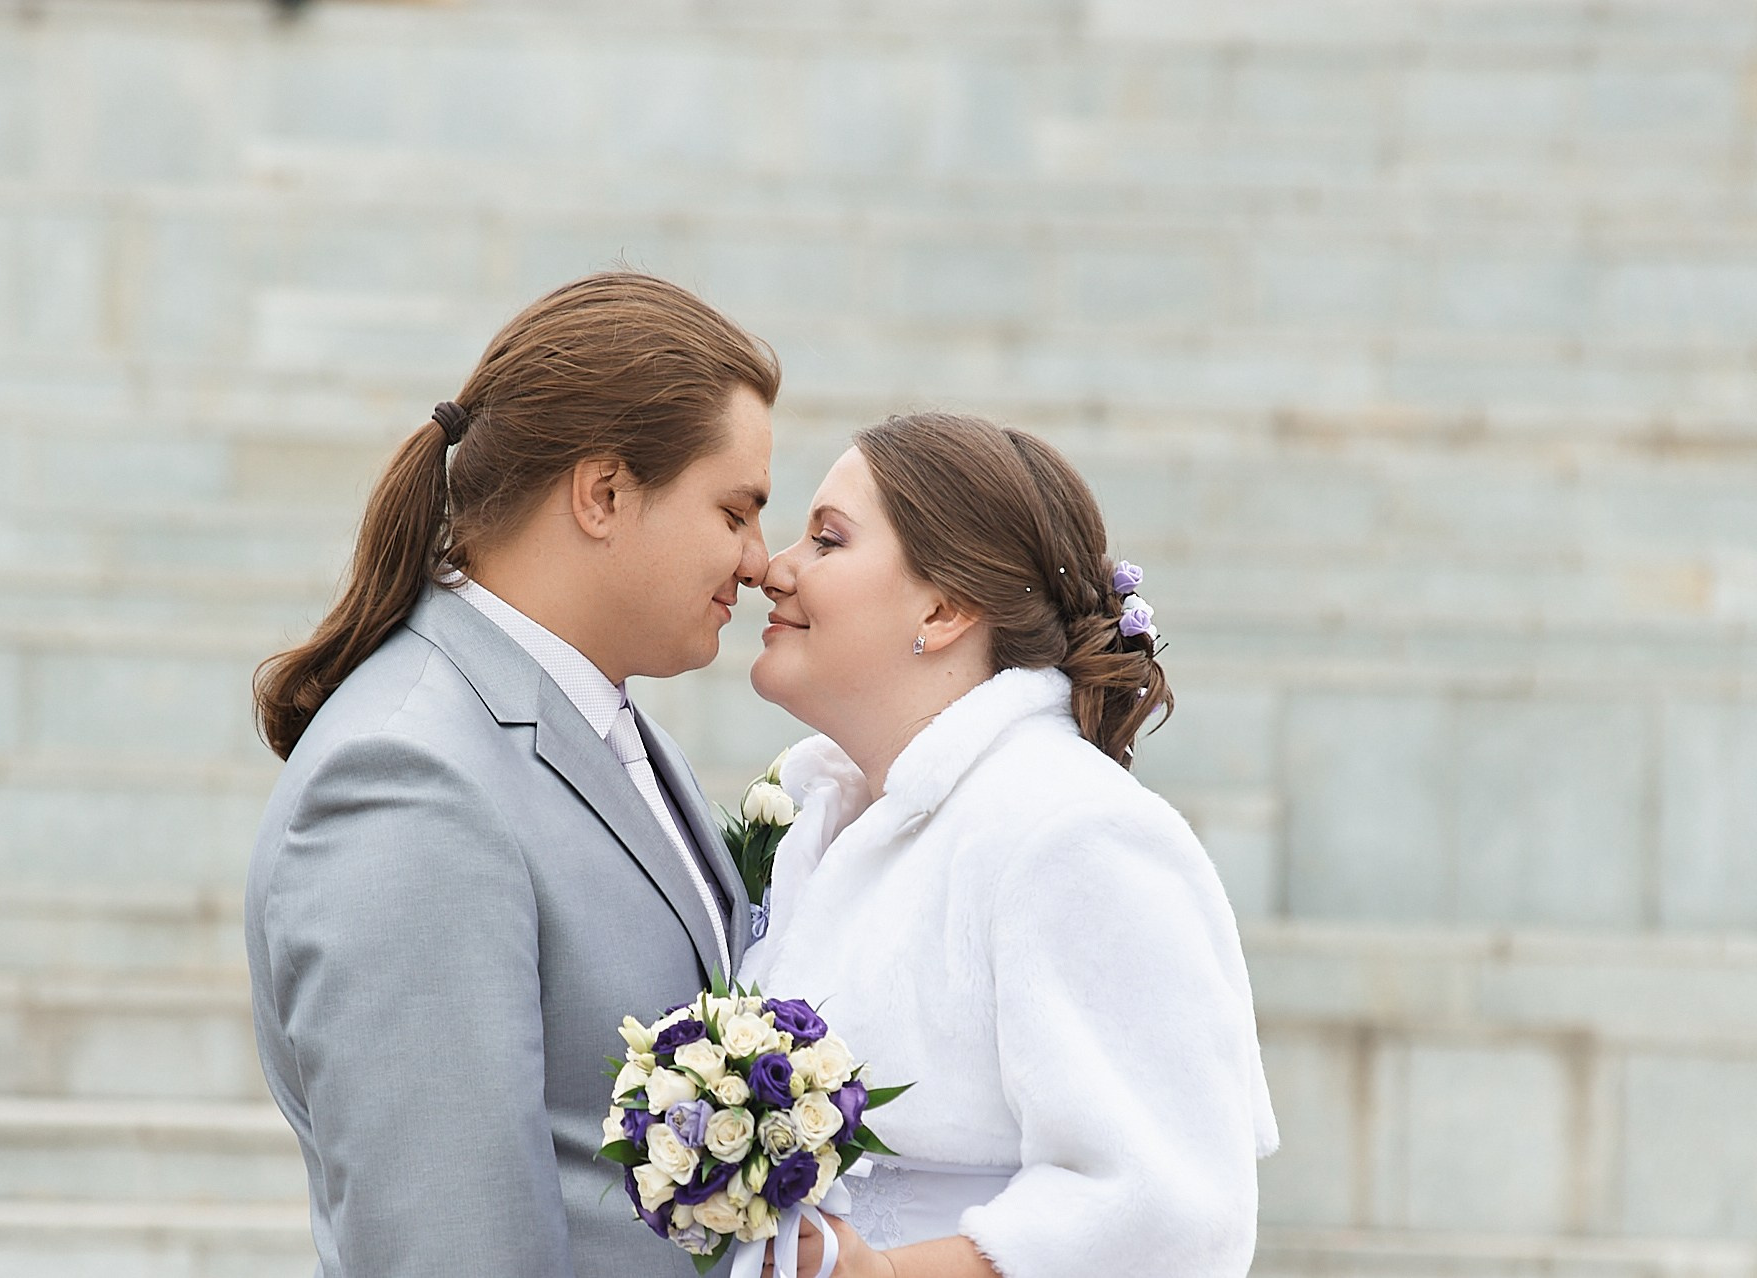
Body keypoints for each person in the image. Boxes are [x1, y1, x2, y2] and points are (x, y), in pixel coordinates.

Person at [246, 272, 779, 1278]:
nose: (760, 561)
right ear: (604, 493)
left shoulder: (585, 719)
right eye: (735, 510)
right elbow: (448, 1239)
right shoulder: (408, 778)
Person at [736, 412, 1279, 1278]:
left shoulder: (1072, 830)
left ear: (946, 608)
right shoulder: (814, 813)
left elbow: (1169, 1212)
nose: (773, 568)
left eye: (827, 541)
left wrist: (873, 1275)